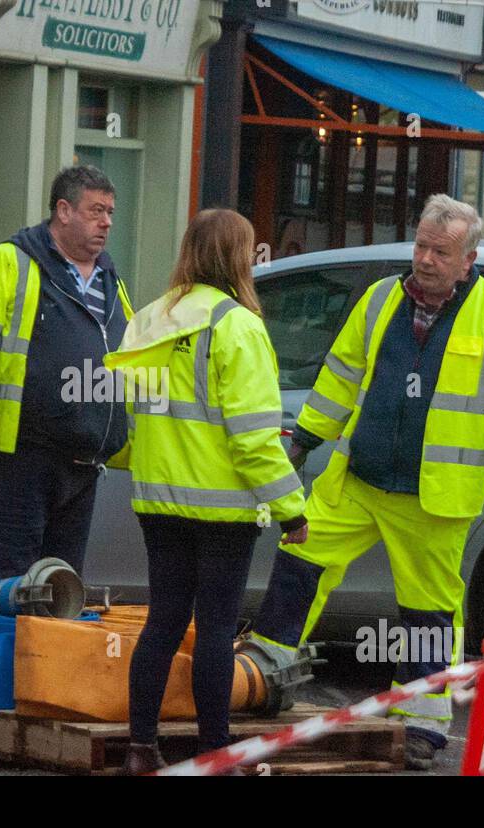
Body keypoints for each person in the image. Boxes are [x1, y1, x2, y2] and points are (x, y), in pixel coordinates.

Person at [244, 194, 484, 770]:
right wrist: (305, 439)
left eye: (441, 251)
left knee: (429, 615)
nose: (426, 259)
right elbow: (341, 374)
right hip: (358, 479)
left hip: (435, 496)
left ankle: (422, 724)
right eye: (420, 246)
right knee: (299, 561)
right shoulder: (382, 298)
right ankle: (260, 678)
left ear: (468, 260)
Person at [105, 209, 307, 774]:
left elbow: (133, 422)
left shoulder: (148, 318)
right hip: (223, 508)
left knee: (163, 621)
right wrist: (292, 508)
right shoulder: (239, 327)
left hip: (156, 501)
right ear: (239, 258)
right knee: (217, 629)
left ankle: (141, 747)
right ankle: (214, 750)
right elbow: (252, 440)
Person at [0, 166, 133, 584]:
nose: (107, 222)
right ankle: (1, 652)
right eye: (96, 210)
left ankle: (41, 652)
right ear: (63, 210)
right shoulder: (12, 262)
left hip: (82, 465)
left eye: (111, 212)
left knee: (57, 587)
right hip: (19, 462)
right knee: (6, 585)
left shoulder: (109, 279)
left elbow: (128, 357)